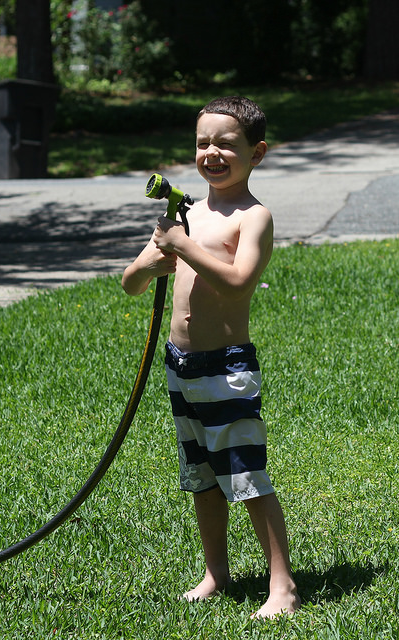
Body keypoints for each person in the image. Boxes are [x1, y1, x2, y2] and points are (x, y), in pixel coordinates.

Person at [121, 96, 300, 618]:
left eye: (226, 144)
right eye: (203, 143)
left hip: (226, 368)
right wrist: (152, 262)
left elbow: (239, 282)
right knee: (202, 477)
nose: (212, 153)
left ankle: (283, 586)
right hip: (181, 366)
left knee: (245, 476)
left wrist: (183, 246)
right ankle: (215, 574)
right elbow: (131, 283)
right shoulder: (187, 215)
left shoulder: (253, 217)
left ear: (256, 153)